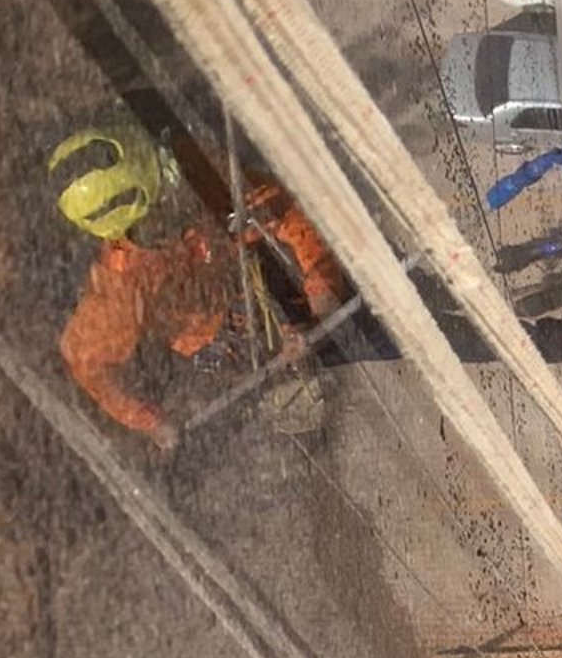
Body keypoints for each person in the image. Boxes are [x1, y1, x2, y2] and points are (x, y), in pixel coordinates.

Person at [52, 121, 350, 451]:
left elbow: (285, 211)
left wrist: (323, 294)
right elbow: (84, 360)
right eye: (166, 186)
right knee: (307, 387)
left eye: (168, 169)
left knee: (352, 327)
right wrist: (149, 420)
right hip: (228, 339)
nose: (178, 184)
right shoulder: (121, 285)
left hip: (257, 270)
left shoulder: (193, 166)